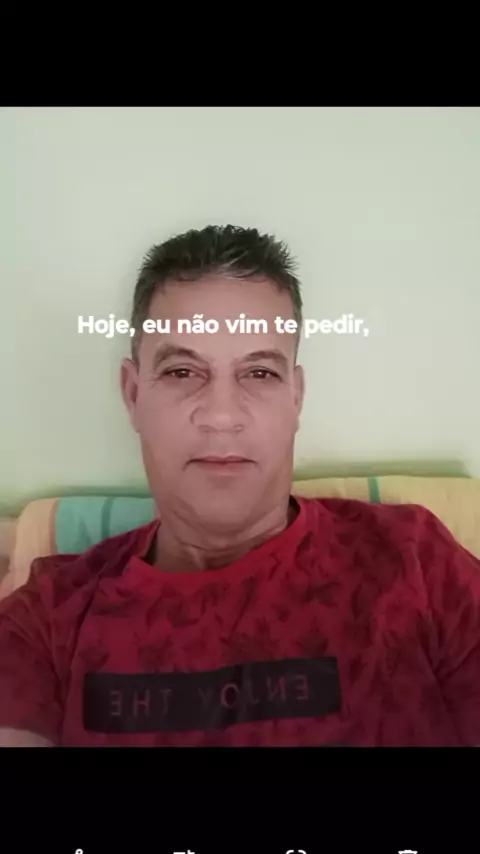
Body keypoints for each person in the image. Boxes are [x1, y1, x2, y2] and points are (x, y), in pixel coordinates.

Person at [1, 224, 480, 747]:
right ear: (133, 394)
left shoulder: (417, 562)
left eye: (259, 374)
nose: (222, 416)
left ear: (295, 398)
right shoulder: (46, 622)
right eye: (182, 371)